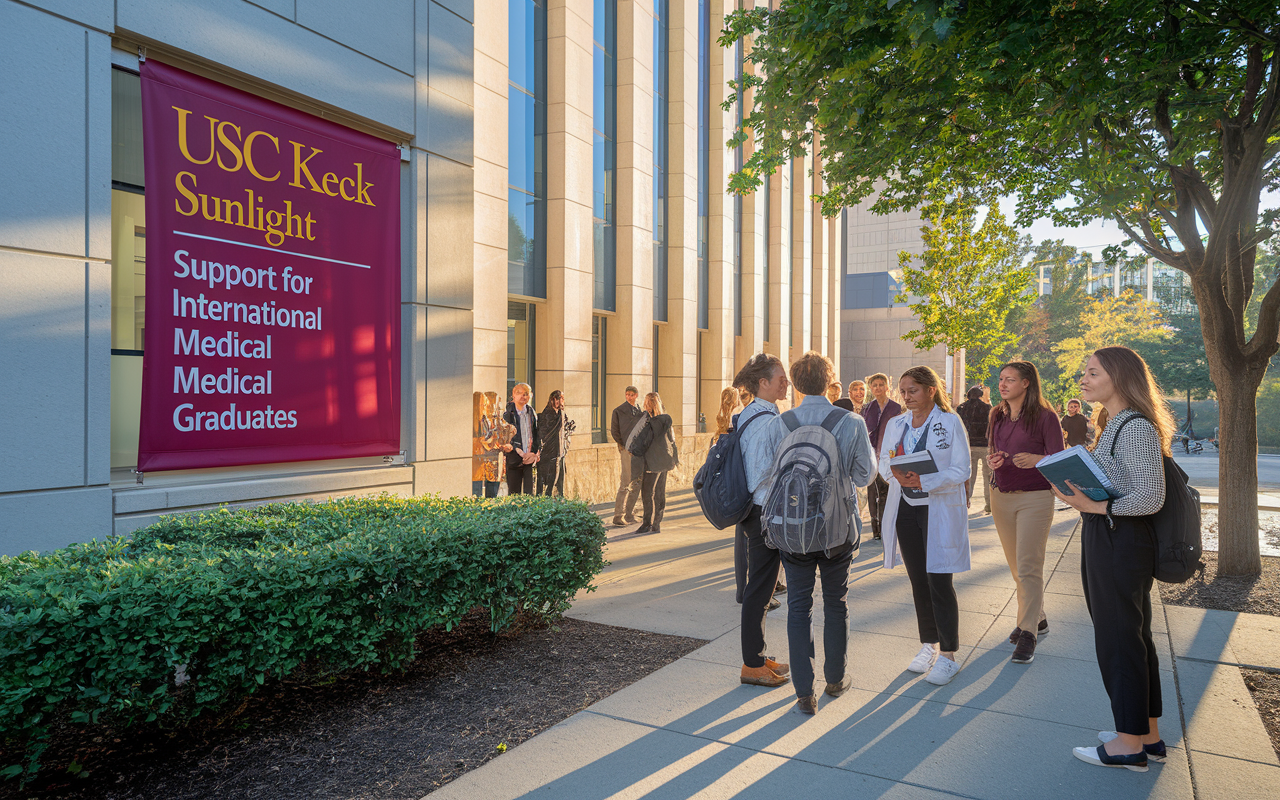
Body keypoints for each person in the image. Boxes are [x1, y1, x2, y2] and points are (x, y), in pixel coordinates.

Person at [1052, 347, 1172, 773]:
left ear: (1119, 377)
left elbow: (1150, 496)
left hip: (1120, 540)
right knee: (1134, 638)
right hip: (1116, 538)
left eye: (1092, 372)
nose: (1083, 379)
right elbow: (1120, 485)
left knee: (1120, 640)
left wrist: (1095, 507)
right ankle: (1146, 735)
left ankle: (1127, 744)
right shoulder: (1116, 422)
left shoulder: (1133, 427)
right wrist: (1077, 493)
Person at [757, 351, 875, 714]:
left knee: (798, 607)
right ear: (830, 381)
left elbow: (764, 479)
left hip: (794, 531)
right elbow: (864, 476)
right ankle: (836, 678)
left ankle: (804, 692)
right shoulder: (851, 421)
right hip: (837, 530)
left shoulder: (779, 423)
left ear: (793, 383)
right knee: (836, 604)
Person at [878, 366, 971, 686]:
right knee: (918, 579)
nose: (906, 397)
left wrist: (926, 479)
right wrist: (897, 476)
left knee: (939, 581)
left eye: (912, 390)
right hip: (905, 506)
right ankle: (928, 644)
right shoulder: (896, 423)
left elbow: (962, 468)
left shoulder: (949, 421)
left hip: (937, 507)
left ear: (931, 390)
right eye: (902, 391)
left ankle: (948, 655)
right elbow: (884, 460)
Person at [986, 362, 1065, 665]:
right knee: (1017, 568)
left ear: (1027, 383)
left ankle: (1027, 631)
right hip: (1001, 495)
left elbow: (1059, 460)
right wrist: (995, 461)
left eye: (1010, 380)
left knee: (1029, 565)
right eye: (1001, 379)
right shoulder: (996, 414)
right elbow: (995, 447)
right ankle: (1039, 617)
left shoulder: (1046, 417)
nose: (1003, 385)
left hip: (1035, 498)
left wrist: (1037, 459)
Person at [733, 353, 791, 687]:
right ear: (763, 383)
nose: (786, 383)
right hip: (764, 510)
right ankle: (751, 665)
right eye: (780, 378)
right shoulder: (767, 420)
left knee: (763, 586)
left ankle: (757, 656)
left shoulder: (752, 414)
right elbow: (757, 474)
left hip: (755, 510)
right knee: (759, 589)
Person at [629, 393, 679, 533]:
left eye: (647, 403)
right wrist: (674, 458)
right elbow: (672, 440)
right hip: (665, 460)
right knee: (659, 492)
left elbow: (642, 442)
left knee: (647, 492)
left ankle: (646, 523)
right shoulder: (666, 420)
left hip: (652, 461)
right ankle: (656, 524)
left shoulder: (647, 422)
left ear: (648, 404)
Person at [863, 373, 902, 540]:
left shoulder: (896, 408)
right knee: (872, 492)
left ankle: (886, 526)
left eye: (881, 384)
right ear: (871, 388)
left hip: (889, 455)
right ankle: (875, 528)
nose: (878, 388)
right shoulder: (866, 408)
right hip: (871, 455)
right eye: (875, 385)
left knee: (886, 491)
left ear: (887, 387)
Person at [610, 386, 645, 526]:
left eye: (632, 394)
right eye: (627, 394)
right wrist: (623, 446)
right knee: (625, 481)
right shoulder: (618, 411)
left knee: (637, 481)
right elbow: (614, 431)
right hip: (626, 450)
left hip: (638, 451)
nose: (629, 397)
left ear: (636, 395)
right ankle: (618, 515)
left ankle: (629, 513)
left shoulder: (640, 412)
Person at [956, 386, 993, 514]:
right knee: (987, 476)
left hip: (968, 446)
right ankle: (989, 504)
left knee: (969, 476)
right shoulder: (987, 408)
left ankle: (965, 502)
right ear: (980, 395)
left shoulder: (961, 408)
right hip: (984, 445)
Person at [503, 383, 540, 495]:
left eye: (526, 394)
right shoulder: (507, 413)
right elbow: (505, 437)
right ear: (513, 395)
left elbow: (536, 433)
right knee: (514, 494)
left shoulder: (531, 411)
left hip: (529, 458)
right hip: (514, 458)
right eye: (519, 393)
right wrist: (518, 451)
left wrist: (534, 453)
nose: (523, 397)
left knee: (530, 494)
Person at [476, 392, 515, 498]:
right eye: (493, 406)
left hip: (496, 462)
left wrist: (509, 444)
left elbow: (510, 430)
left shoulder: (499, 422)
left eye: (498, 407)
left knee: (493, 492)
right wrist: (492, 441)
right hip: (482, 463)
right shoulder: (482, 421)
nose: (496, 409)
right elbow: (484, 440)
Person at [536, 390, 569, 496]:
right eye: (559, 398)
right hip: (548, 453)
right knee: (548, 481)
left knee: (559, 481)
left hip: (560, 452)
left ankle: (559, 498)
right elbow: (543, 434)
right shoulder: (546, 415)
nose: (561, 401)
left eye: (562, 399)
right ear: (552, 400)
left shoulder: (561, 414)